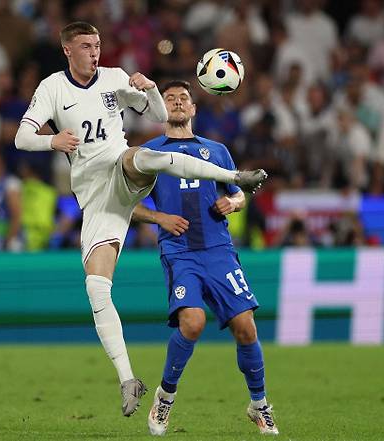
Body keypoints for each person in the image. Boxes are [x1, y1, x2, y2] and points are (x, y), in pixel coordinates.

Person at [13, 22, 267, 418]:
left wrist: (148, 89)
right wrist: (52, 140)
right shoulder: (52, 89)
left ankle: (236, 177)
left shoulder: (114, 79)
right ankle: (128, 379)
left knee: (140, 156)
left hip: (121, 168)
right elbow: (21, 138)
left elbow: (159, 114)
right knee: (97, 288)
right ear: (67, 50)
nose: (94, 52)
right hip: (97, 200)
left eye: (97, 45)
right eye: (85, 46)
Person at [131, 80, 278, 436]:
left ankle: (259, 405)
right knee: (192, 323)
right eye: (170, 99)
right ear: (160, 108)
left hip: (219, 251)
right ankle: (165, 398)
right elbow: (122, 206)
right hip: (179, 251)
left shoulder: (217, 150)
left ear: (194, 109)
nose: (178, 103)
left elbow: (239, 193)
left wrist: (234, 202)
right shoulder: (148, 153)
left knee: (246, 327)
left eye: (185, 99)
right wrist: (159, 218)